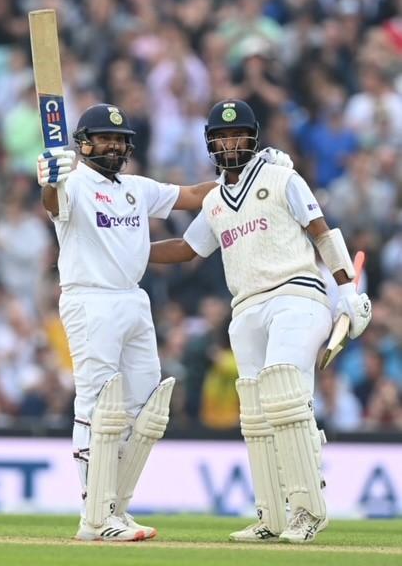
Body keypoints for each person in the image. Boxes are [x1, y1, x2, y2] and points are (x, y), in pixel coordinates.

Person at [36, 102, 291, 542]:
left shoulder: (136, 187)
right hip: (90, 298)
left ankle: (113, 506)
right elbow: (52, 203)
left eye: (120, 139)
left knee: (145, 406)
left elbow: (194, 195)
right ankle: (92, 514)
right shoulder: (73, 183)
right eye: (104, 138)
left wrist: (255, 174)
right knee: (97, 403)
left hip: (133, 300)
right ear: (83, 143)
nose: (113, 145)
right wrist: (50, 178)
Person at [149, 99, 372, 544]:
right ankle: (272, 515)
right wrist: (126, 250)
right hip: (245, 308)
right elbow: (188, 250)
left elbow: (321, 232)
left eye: (237, 135)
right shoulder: (214, 201)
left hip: (297, 295)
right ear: (211, 144)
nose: (230, 144)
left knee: (285, 393)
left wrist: (347, 292)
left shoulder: (282, 177)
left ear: (252, 138)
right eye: (222, 137)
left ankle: (308, 510)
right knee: (255, 413)